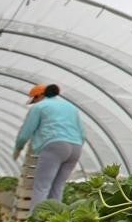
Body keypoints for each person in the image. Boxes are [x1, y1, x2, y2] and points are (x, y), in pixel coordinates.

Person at [14, 83, 85, 212]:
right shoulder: (71, 108)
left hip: (54, 146)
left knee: (41, 187)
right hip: (76, 148)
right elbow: (82, 133)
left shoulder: (39, 107)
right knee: (58, 187)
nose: (34, 102)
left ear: (40, 96)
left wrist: (18, 148)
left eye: (34, 99)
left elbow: (26, 132)